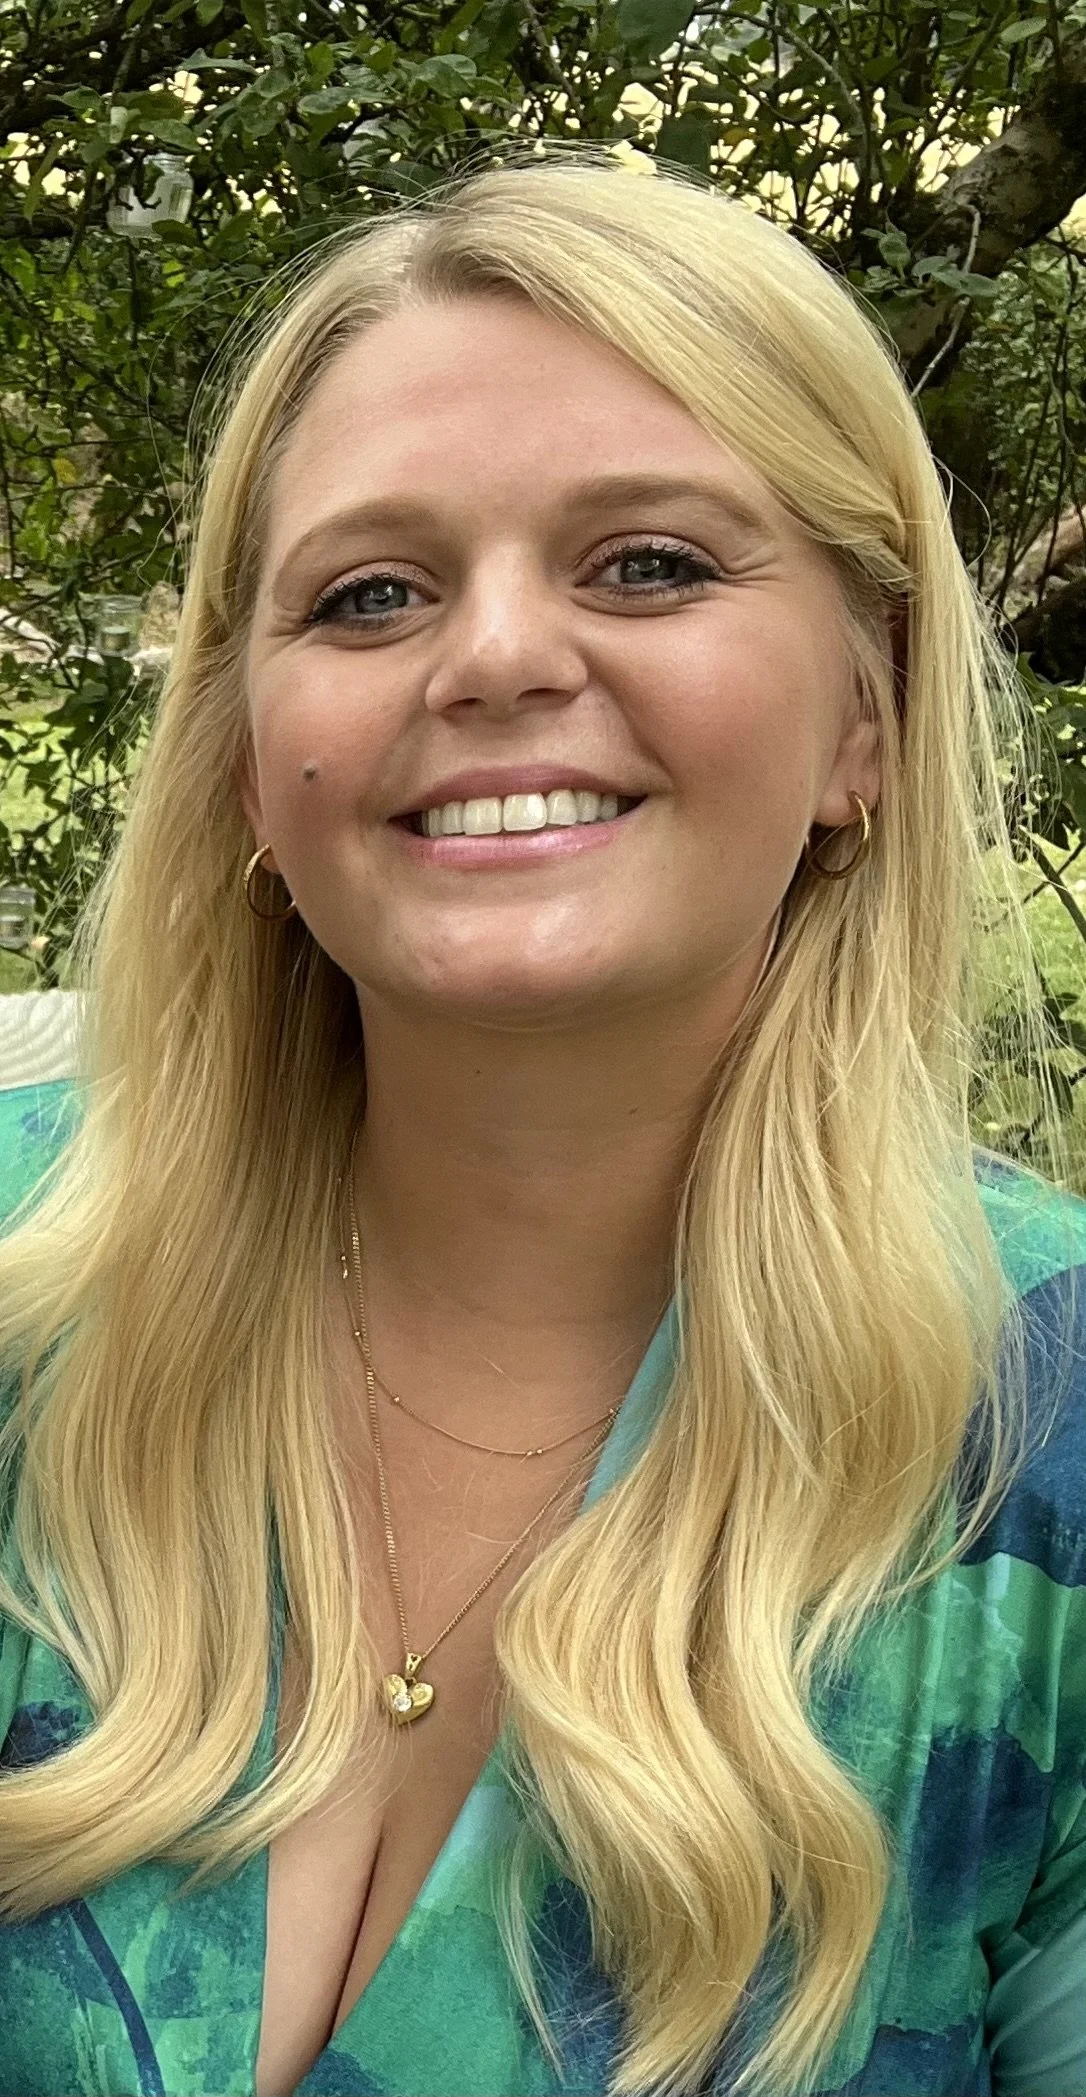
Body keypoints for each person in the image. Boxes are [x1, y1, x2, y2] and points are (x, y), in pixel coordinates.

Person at [0, 139, 1083, 2097]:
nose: (493, 656)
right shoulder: (16, 1300)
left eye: (649, 562)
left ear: (865, 718)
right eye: (372, 591)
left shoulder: (1048, 1442)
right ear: (255, 771)